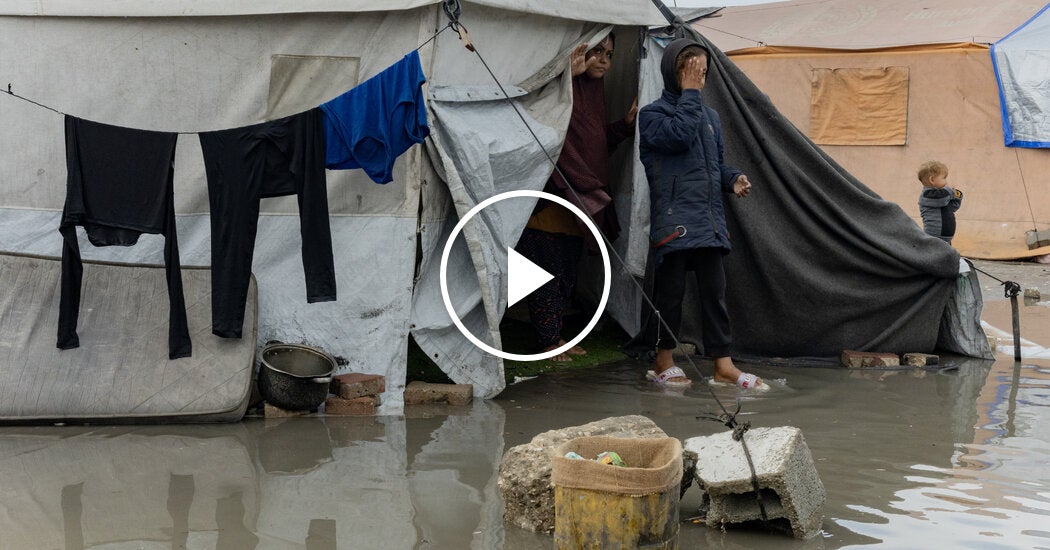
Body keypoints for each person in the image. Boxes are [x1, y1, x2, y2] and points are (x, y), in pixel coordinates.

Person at [637, 38, 763, 389]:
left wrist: (732, 178)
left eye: (702, 73)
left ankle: (723, 365)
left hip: (707, 219)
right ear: (671, 72)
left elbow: (713, 164)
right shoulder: (653, 115)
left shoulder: (711, 117)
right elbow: (677, 137)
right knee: (671, 293)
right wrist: (691, 94)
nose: (697, 78)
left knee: (714, 292)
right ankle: (664, 360)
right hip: (675, 217)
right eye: (689, 71)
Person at [515, 33, 637, 362]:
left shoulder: (593, 92)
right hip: (554, 195)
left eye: (609, 55)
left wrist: (625, 127)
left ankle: (555, 337)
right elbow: (540, 116)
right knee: (546, 272)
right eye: (596, 51)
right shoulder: (563, 91)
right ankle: (548, 342)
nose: (603, 61)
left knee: (566, 271)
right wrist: (565, 79)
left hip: (579, 200)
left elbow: (593, 142)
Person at [917, 160, 963, 245]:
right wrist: (950, 190)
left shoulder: (943, 195)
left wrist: (957, 196)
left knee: (946, 255)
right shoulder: (927, 195)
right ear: (932, 180)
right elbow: (942, 198)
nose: (946, 182)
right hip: (935, 235)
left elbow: (953, 207)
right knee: (934, 254)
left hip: (945, 236)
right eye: (944, 178)